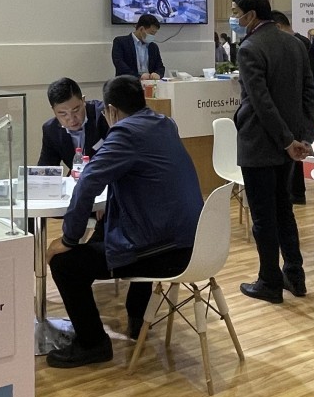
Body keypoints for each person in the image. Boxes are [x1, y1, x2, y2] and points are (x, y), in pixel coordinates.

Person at [45, 75, 202, 368]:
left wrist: (68, 239)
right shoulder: (164, 123)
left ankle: (92, 343)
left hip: (164, 251)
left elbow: (87, 183)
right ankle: (135, 316)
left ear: (112, 111)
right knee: (104, 236)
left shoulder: (125, 133)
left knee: (65, 264)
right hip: (193, 242)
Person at [231, 0, 314, 304]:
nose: (234, 18)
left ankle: (269, 281)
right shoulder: (295, 44)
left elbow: (261, 102)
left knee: (264, 217)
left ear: (251, 15)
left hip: (260, 144)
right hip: (290, 144)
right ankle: (295, 274)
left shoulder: (249, 48)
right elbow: (309, 93)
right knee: (284, 210)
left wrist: (286, 140)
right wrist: (302, 137)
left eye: (236, 12)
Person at [272, 9, 314, 205]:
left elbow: (308, 82)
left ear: (278, 26)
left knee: (294, 154)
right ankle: (295, 194)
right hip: (294, 111)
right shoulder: (291, 44)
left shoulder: (299, 44)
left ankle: (297, 193)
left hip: (296, 110)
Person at [38, 77, 109, 171]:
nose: (71, 119)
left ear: (83, 100)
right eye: (63, 114)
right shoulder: (51, 130)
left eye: (76, 110)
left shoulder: (105, 115)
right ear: (53, 110)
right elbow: (46, 169)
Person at [111, 14, 165, 79]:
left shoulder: (153, 46)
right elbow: (119, 64)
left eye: (154, 34)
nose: (153, 36)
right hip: (128, 81)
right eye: (151, 33)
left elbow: (160, 67)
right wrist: (138, 76)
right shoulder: (120, 42)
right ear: (141, 29)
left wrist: (158, 74)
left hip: (149, 82)